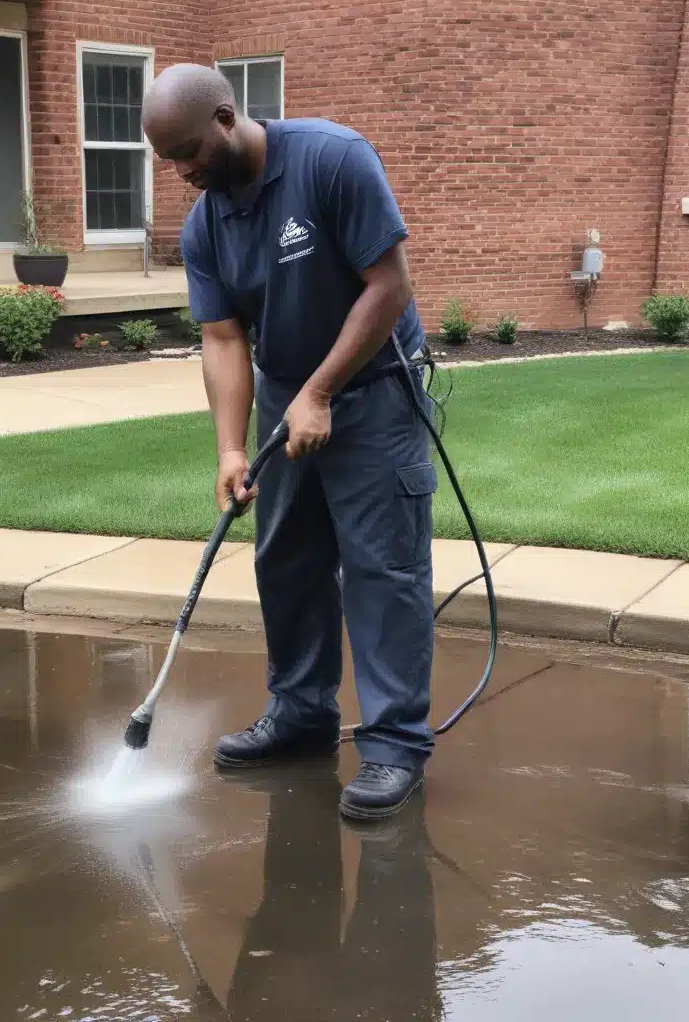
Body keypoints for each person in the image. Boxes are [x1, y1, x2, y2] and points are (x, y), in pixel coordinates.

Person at [142, 64, 437, 821]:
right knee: (287, 559)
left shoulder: (334, 160)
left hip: (374, 395)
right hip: (285, 400)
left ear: (226, 118)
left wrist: (321, 391)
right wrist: (232, 451)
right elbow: (221, 337)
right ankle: (303, 716)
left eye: (188, 153)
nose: (182, 173)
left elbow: (389, 285)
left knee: (382, 569)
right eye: (167, 160)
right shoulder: (205, 223)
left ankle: (394, 746)